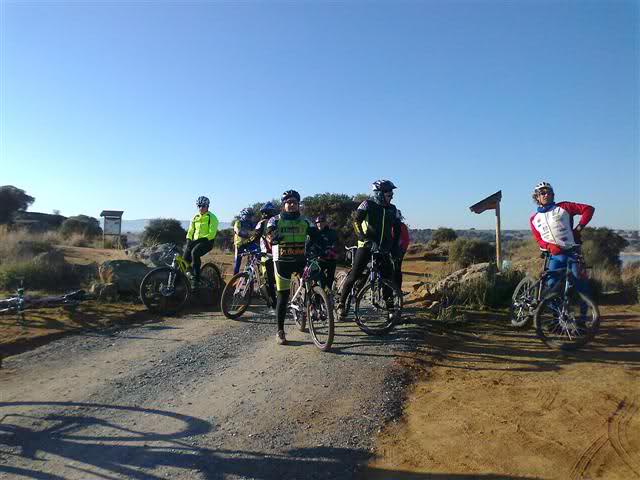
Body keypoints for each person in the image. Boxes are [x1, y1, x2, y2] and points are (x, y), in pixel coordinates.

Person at [336, 179, 401, 320]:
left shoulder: (393, 209)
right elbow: (356, 221)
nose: (391, 194)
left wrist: (395, 247)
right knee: (354, 274)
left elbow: (397, 229)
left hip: (383, 248)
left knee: (387, 279)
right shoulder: (367, 204)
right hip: (365, 246)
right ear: (379, 193)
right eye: (388, 192)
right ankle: (341, 304)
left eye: (391, 192)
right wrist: (363, 238)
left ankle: (390, 310)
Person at [266, 190, 318, 345]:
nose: (292, 205)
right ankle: (280, 331)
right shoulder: (275, 220)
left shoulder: (305, 221)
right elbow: (269, 233)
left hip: (301, 259)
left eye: (294, 202)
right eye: (288, 202)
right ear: (284, 204)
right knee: (282, 295)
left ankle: (316, 305)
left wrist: (320, 246)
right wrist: (272, 237)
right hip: (282, 262)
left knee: (314, 281)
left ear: (298, 204)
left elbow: (316, 236)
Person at [529, 181, 594, 292]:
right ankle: (556, 309)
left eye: (549, 192)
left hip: (572, 252)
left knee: (581, 284)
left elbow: (588, 209)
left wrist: (579, 228)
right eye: (542, 193)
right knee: (550, 286)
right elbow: (539, 239)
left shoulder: (564, 207)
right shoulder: (534, 219)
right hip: (554, 256)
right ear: (537, 197)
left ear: (553, 195)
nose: (546, 195)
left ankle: (586, 309)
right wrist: (549, 246)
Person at [184, 196, 219, 287]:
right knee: (184, 259)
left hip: (207, 242)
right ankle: (186, 276)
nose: (201, 208)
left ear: (207, 206)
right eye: (199, 206)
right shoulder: (195, 217)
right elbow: (190, 231)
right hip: (194, 241)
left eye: (203, 206)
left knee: (195, 253)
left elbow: (211, 234)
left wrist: (198, 240)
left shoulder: (212, 218)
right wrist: (188, 239)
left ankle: (196, 278)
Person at [254, 202, 279, 308]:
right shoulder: (278, 221)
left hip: (266, 255)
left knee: (268, 279)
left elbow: (254, 237)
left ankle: (273, 303)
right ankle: (280, 300)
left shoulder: (261, 223)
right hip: (279, 254)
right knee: (278, 278)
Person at [314, 214, 338, 290]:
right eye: (318, 222)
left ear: (325, 223)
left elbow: (337, 243)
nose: (320, 223)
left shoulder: (332, 232)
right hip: (319, 259)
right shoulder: (314, 233)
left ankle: (328, 298)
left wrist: (336, 252)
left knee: (329, 281)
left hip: (331, 259)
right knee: (321, 281)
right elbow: (310, 245)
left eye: (322, 222)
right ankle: (318, 298)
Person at [233, 208, 259, 274]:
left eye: (251, 216)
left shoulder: (251, 224)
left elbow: (256, 232)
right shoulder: (238, 222)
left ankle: (250, 275)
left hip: (248, 243)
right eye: (248, 216)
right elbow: (239, 232)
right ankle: (234, 277)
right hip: (239, 244)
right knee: (237, 262)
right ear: (243, 215)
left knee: (257, 253)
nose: (250, 218)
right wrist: (250, 233)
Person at [393, 210, 411, 291]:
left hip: (398, 251)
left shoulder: (401, 226)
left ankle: (398, 290)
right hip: (392, 250)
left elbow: (406, 240)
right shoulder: (388, 225)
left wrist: (402, 251)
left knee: (396, 270)